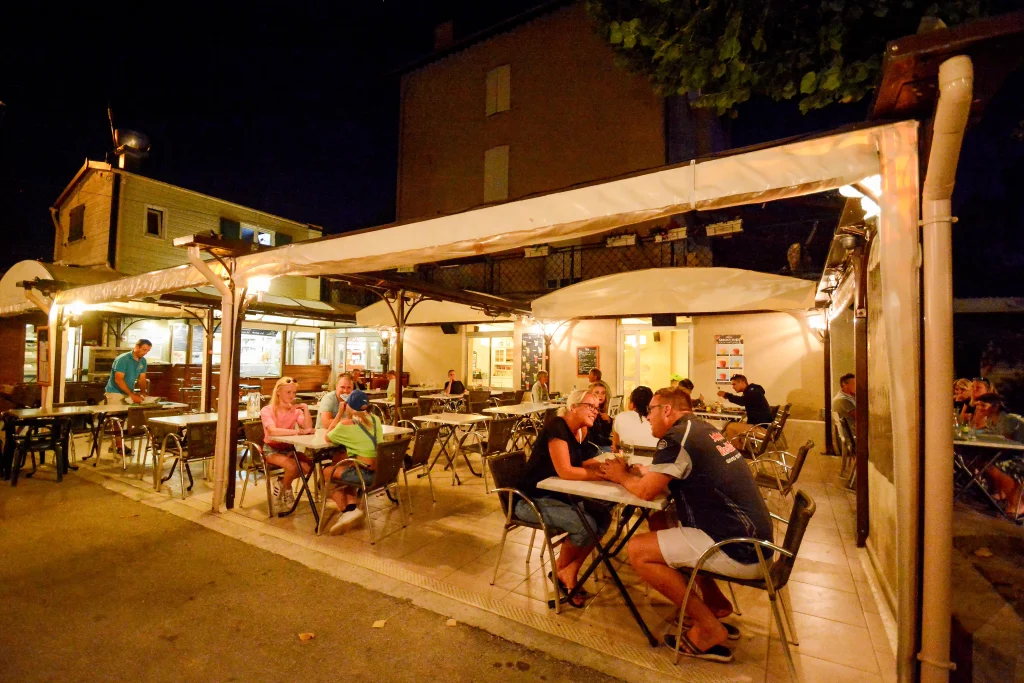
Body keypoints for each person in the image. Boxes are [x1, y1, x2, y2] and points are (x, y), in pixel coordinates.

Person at [599, 387, 773, 662]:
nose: (648, 418)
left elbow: (646, 492)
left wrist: (621, 476)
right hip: (754, 539)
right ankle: (714, 604)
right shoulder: (704, 429)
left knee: (638, 550)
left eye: (650, 411)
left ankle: (708, 628)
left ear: (666, 410)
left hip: (738, 548)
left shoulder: (676, 437)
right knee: (663, 525)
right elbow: (679, 471)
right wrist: (647, 473)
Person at [513, 389, 611, 607]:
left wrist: (605, 467)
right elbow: (566, 471)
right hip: (529, 500)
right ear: (573, 406)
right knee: (585, 525)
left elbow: (579, 463)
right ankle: (564, 574)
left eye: (597, 407)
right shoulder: (557, 426)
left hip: (556, 495)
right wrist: (597, 474)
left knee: (602, 516)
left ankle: (566, 571)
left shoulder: (580, 431)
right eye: (589, 406)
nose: (595, 411)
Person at [322, 390, 385, 534]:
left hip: (366, 475)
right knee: (350, 465)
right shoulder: (375, 419)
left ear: (348, 406)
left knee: (326, 472)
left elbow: (327, 437)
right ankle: (351, 508)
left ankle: (346, 511)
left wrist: (339, 413)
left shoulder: (345, 425)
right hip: (383, 472)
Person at [261, 377, 314, 512]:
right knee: (292, 466)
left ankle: (282, 483)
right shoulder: (267, 410)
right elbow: (272, 431)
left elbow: (307, 427)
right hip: (271, 449)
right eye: (288, 392)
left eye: (294, 393)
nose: (292, 396)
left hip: (288, 448)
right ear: (278, 392)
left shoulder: (296, 410)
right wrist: (297, 432)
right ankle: (288, 489)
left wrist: (306, 409)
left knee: (309, 468)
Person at [975, 393, 1024, 517]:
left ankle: (1017, 503)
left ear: (995, 407)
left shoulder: (1007, 420)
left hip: (1019, 455)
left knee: (992, 465)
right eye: (978, 405)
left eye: (983, 405)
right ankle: (997, 494)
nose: (979, 408)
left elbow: (1007, 444)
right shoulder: (991, 419)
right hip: (1012, 452)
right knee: (981, 461)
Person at [104, 339, 152, 456]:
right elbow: (118, 379)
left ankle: (115, 444)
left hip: (128, 392)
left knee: (123, 419)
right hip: (114, 392)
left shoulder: (143, 361)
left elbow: (142, 378)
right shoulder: (122, 359)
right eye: (144, 349)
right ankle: (119, 446)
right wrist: (132, 394)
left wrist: (142, 392)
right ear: (137, 347)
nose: (145, 352)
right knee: (116, 419)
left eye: (148, 351)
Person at [717, 374, 773, 442]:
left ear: (742, 383)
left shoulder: (752, 391)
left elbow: (742, 401)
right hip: (763, 425)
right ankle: (742, 446)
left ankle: (737, 450)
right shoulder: (752, 390)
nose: (733, 387)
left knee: (730, 427)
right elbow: (746, 401)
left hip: (762, 429)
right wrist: (728, 396)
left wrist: (726, 394)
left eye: (734, 384)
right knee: (734, 423)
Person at [611, 385, 658, 451]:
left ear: (632, 403)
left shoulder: (620, 417)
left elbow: (616, 448)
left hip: (627, 460)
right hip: (653, 460)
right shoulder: (658, 421)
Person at [586, 380, 614, 453]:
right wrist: (611, 443)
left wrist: (608, 421)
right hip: (592, 447)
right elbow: (593, 436)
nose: (600, 395)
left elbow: (606, 433)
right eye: (597, 392)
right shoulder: (588, 410)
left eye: (603, 393)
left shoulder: (602, 410)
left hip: (602, 444)